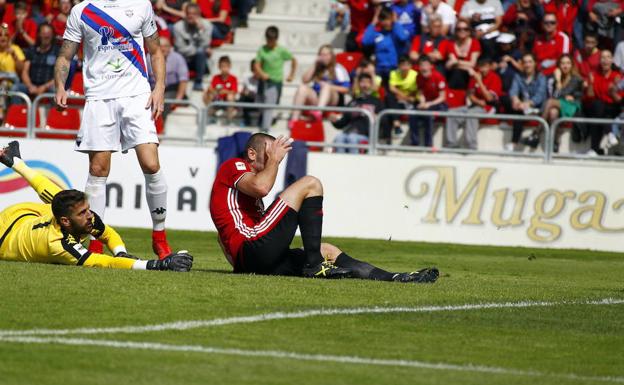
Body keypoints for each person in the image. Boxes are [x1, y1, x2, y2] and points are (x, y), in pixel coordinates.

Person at [209, 133, 439, 282]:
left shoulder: (241, 194)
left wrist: (241, 268)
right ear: (251, 154)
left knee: (327, 250)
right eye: (269, 152)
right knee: (310, 183)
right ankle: (314, 265)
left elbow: (222, 239)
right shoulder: (234, 165)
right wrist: (276, 160)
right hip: (253, 248)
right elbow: (261, 187)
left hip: (256, 258)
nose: (274, 158)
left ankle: (397, 278)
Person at [54, 0, 174, 259]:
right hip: (99, 97)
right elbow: (66, 54)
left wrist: (160, 88)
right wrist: (60, 85)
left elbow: (155, 51)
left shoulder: (141, 5)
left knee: (151, 164)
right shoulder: (82, 10)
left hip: (136, 94)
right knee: (98, 170)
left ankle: (159, 237)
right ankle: (96, 242)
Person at [0, 142, 193, 272]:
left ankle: (16, 162)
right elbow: (103, 261)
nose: (90, 215)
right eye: (83, 213)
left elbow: (108, 234)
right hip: (5, 234)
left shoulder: (80, 218)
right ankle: (16, 162)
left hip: (27, 214)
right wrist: (157, 265)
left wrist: (120, 252)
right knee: (58, 200)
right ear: (66, 222)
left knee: (59, 198)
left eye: (88, 209)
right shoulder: (59, 245)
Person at [524, 54, 583, 152]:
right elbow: (555, 95)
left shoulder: (575, 78)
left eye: (568, 63)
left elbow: (559, 95)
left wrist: (558, 80)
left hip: (572, 106)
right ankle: (555, 142)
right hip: (559, 104)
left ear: (572, 65)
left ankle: (536, 133)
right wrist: (557, 81)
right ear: (559, 65)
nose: (565, 66)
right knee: (552, 113)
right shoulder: (553, 78)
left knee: (551, 102)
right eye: (562, 63)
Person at [446, 56, 502, 149]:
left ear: (490, 67)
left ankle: (471, 145)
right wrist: (478, 101)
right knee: (451, 112)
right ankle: (451, 144)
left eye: (485, 66)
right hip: (476, 105)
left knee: (472, 114)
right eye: (481, 66)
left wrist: (479, 81)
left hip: (488, 108)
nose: (483, 69)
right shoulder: (475, 76)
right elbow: (470, 95)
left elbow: (489, 99)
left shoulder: (494, 78)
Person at [289, 44, 350, 123]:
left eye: (325, 55)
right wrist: (314, 64)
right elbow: (304, 80)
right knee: (302, 88)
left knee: (326, 87)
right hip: (317, 98)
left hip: (332, 99)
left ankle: (318, 112)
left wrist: (329, 87)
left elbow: (345, 89)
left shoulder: (338, 68)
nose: (323, 57)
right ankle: (294, 120)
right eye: (321, 55)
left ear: (331, 56)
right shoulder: (317, 68)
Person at [254, 26, 297, 132]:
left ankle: (265, 129)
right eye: (268, 40)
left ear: (276, 39)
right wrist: (262, 73)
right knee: (259, 103)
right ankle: (266, 120)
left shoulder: (281, 50)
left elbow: (293, 60)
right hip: (263, 81)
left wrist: (291, 74)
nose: (270, 42)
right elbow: (257, 65)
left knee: (269, 105)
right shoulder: (262, 50)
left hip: (274, 82)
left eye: (272, 40)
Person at [504, 52, 547, 150]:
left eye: (530, 62)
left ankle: (514, 143)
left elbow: (539, 96)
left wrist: (527, 104)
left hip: (537, 108)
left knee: (518, 113)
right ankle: (513, 143)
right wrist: (515, 99)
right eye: (525, 62)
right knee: (508, 101)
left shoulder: (541, 77)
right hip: (522, 107)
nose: (527, 65)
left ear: (535, 63)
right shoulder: (518, 76)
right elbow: (513, 90)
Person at [331, 73, 383, 153]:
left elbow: (384, 120)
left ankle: (354, 163)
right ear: (358, 84)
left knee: (352, 138)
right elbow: (343, 122)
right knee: (339, 138)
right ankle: (340, 163)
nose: (365, 85)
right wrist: (334, 121)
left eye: (367, 82)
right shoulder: (353, 102)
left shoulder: (376, 101)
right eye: (362, 82)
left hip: (366, 135)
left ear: (371, 84)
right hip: (349, 132)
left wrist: (376, 118)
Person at [584, 49, 623, 155]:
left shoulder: (617, 76)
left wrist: (613, 90)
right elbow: (590, 97)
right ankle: (610, 133)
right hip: (599, 108)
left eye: (608, 57)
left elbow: (619, 100)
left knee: (599, 113)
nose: (605, 60)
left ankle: (594, 149)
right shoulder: (595, 75)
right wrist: (591, 84)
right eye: (603, 58)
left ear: (612, 60)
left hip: (614, 107)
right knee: (597, 107)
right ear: (599, 61)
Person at [362, 7, 410, 84]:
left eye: (388, 19)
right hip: (380, 70)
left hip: (394, 69)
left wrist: (396, 22)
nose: (386, 22)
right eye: (383, 19)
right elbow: (365, 41)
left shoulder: (396, 32)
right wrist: (373, 22)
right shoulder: (377, 34)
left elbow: (403, 38)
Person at [173, 3, 213, 91]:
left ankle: (198, 82)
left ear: (199, 15)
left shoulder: (207, 25)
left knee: (200, 52)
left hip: (199, 60)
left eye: (194, 14)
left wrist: (201, 30)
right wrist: (199, 48)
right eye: (188, 13)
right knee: (199, 51)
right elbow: (181, 49)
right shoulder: (178, 27)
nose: (191, 16)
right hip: (183, 58)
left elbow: (205, 44)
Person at [13, 23, 58, 100]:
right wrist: (30, 86)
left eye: (49, 34)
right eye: (43, 33)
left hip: (48, 86)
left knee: (55, 91)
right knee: (16, 88)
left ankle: (54, 112)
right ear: (39, 35)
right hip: (31, 85)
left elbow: (59, 76)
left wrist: (44, 87)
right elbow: (25, 72)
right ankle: (18, 111)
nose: (46, 36)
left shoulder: (58, 52)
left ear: (53, 36)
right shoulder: (32, 50)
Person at [148, 36, 189, 121]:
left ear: (170, 47)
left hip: (172, 89)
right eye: (161, 46)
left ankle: (161, 128)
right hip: (153, 88)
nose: (163, 49)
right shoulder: (148, 58)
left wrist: (178, 99)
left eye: (166, 46)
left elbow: (183, 80)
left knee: (164, 100)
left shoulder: (178, 58)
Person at [412, 56, 447, 147]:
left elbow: (442, 97)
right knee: (412, 115)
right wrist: (422, 102)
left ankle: (429, 145)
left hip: (439, 104)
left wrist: (429, 104)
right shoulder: (418, 77)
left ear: (431, 66)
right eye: (421, 65)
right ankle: (414, 143)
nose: (423, 68)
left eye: (426, 65)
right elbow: (420, 92)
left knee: (428, 115)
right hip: (427, 103)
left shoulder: (438, 76)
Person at [386, 55, 418, 137]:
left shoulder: (415, 75)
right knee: (389, 97)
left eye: (407, 65)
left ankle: (397, 126)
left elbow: (415, 92)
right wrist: (403, 96)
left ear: (410, 66)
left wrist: (404, 97)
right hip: (399, 100)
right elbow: (392, 88)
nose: (405, 67)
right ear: (398, 66)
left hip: (410, 100)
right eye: (402, 65)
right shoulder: (394, 73)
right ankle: (396, 124)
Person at [0, 24, 25, 122]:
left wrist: (14, 55)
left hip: (12, 84)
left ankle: (4, 116)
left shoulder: (15, 49)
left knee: (4, 85)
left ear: (9, 37)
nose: (2, 37)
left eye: (5, 35)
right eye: (0, 35)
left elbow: (21, 69)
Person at [203, 55, 238, 122]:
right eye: (222, 66)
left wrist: (225, 92)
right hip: (217, 100)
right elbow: (212, 89)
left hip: (226, 102)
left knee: (230, 97)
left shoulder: (233, 78)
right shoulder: (216, 78)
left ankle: (229, 119)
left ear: (230, 66)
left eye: (226, 66)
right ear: (219, 67)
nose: (224, 68)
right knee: (206, 94)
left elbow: (234, 91)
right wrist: (213, 91)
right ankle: (210, 115)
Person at [239, 59, 260, 127]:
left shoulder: (263, 81)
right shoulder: (247, 79)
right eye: (254, 69)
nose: (256, 71)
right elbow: (243, 91)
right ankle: (246, 121)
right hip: (249, 100)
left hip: (259, 101)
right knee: (244, 98)